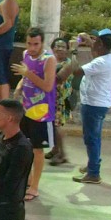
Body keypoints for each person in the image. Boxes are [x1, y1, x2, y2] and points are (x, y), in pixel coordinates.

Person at [13, 27, 57, 202]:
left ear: (42, 42)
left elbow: (47, 86)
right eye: (29, 44)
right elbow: (25, 78)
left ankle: (35, 186)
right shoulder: (25, 55)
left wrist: (27, 74)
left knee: (38, 150)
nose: (32, 48)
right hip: (26, 108)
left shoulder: (49, 60)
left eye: (36, 44)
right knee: (24, 145)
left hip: (42, 112)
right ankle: (28, 178)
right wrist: (19, 86)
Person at [72, 29, 111, 185]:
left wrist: (74, 50)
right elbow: (97, 51)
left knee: (91, 138)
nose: (94, 43)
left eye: (97, 41)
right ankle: (93, 164)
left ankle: (94, 173)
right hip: (99, 103)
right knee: (94, 137)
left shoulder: (100, 62)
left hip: (93, 104)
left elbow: (76, 71)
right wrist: (89, 42)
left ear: (101, 45)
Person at [47, 37, 79, 168]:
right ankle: (55, 149)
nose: (59, 48)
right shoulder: (51, 61)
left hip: (61, 99)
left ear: (67, 50)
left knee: (57, 126)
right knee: (52, 125)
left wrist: (74, 50)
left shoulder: (68, 63)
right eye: (57, 46)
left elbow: (59, 78)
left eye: (62, 47)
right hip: (51, 97)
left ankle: (62, 155)